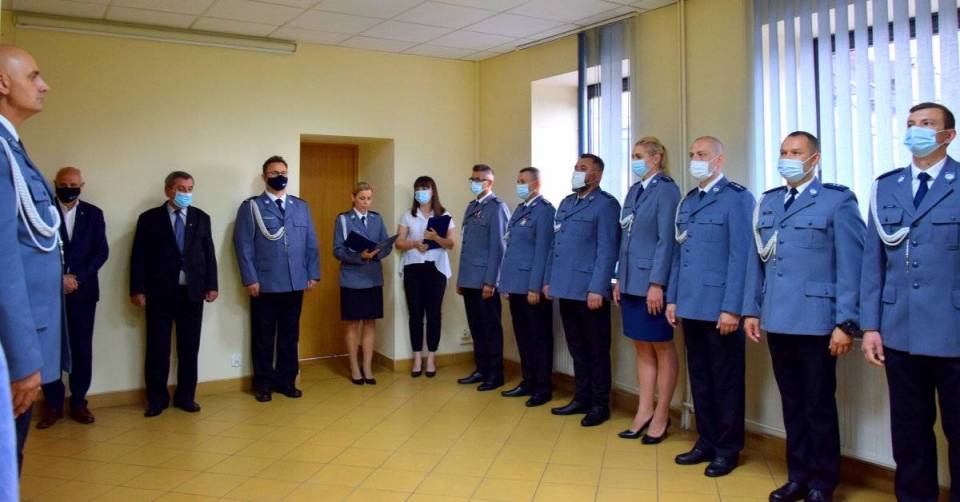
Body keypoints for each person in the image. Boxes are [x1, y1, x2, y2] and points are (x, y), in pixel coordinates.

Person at [743, 131, 865, 502]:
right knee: (792, 403)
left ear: (815, 159)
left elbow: (852, 265)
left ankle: (823, 482)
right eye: (783, 151)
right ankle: (798, 475)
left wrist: (846, 322)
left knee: (818, 405)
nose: (787, 158)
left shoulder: (837, 200)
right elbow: (757, 262)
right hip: (778, 317)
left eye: (796, 152)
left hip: (817, 321)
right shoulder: (769, 201)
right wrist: (751, 309)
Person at [861, 102, 960, 501]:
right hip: (899, 330)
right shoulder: (886, 187)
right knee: (908, 431)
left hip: (953, 331)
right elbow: (872, 262)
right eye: (911, 124)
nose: (916, 130)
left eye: (927, 124)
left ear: (948, 135)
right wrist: (871, 326)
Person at [666, 136, 754, 477]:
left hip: (721, 309)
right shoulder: (689, 201)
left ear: (719, 160)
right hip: (691, 304)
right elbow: (680, 254)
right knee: (700, 378)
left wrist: (733, 308)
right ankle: (706, 440)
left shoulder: (737, 198)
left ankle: (727, 449)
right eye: (692, 154)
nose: (695, 160)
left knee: (726, 381)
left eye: (702, 154)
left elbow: (741, 257)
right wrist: (674, 298)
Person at [0, 44, 67, 472]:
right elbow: (3, 264)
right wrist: (24, 360)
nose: (44, 86)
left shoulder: (12, 148)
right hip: (11, 350)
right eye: (33, 76)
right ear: (3, 83)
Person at [130, 171, 218, 417]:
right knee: (157, 348)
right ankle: (156, 399)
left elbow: (208, 253)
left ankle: (186, 397)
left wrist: (212, 285)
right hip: (159, 293)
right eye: (181, 188)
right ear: (168, 190)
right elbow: (138, 256)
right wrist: (137, 289)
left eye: (189, 189)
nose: (186, 193)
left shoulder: (201, 218)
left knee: (189, 348)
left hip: (192, 292)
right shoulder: (149, 219)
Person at [234, 155, 320, 402]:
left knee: (289, 336)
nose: (279, 177)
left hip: (295, 282)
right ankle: (263, 384)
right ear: (264, 176)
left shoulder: (300, 206)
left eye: (283, 172)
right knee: (263, 337)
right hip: (265, 283)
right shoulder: (252, 207)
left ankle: (287, 381)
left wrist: (313, 273)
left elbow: (311, 243)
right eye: (274, 173)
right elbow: (243, 246)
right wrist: (250, 278)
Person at [544, 153, 621, 427]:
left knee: (596, 351)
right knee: (577, 348)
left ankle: (600, 404)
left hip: (590, 291)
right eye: (576, 167)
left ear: (596, 176)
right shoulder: (567, 203)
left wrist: (598, 288)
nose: (577, 171)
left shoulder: (606, 205)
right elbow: (555, 246)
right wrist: (549, 279)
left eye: (583, 168)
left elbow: (607, 250)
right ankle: (582, 397)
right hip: (565, 288)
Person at [613, 137, 680, 444]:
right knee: (641, 347)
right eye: (632, 155)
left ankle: (662, 414)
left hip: (651, 284)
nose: (634, 161)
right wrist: (619, 279)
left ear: (656, 158)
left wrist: (657, 283)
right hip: (630, 281)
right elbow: (625, 239)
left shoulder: (666, 190)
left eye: (639, 156)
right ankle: (644, 410)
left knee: (662, 347)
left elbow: (667, 240)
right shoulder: (634, 190)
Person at [36, 167, 108, 429]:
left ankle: (78, 401)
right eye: (64, 184)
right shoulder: (43, 212)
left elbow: (101, 252)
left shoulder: (94, 214)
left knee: (81, 348)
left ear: (82, 185)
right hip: (49, 293)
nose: (69, 189)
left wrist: (76, 278)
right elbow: (36, 252)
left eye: (74, 184)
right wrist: (59, 279)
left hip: (83, 292)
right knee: (51, 348)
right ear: (55, 184)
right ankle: (52, 405)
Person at [498, 167, 555, 407]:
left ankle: (543, 387)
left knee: (539, 338)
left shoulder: (545, 211)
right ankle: (528, 381)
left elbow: (543, 251)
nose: (519, 185)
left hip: (532, 287)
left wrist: (535, 287)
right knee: (522, 337)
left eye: (523, 181)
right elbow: (511, 249)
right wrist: (507, 284)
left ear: (536, 184)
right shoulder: (520, 210)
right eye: (518, 180)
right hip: (516, 285)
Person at [333, 182, 393, 385]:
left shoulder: (377, 218)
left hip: (373, 278)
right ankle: (354, 367)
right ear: (353, 197)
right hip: (352, 279)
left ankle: (367, 367)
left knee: (370, 323)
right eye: (361, 198)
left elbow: (386, 245)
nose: (365, 202)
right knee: (353, 324)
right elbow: (337, 250)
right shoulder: (343, 219)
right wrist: (360, 256)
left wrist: (377, 253)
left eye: (369, 198)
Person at [396, 176, 456, 377]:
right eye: (418, 189)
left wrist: (435, 237)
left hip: (436, 268)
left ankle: (431, 358)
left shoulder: (444, 214)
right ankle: (416, 358)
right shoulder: (408, 215)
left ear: (433, 191)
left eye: (424, 188)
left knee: (434, 313)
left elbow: (451, 243)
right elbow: (399, 242)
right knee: (415, 313)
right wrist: (414, 243)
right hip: (413, 267)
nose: (421, 192)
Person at [456, 164, 510, 391]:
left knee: (490, 328)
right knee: (476, 327)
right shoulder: (472, 207)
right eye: (473, 178)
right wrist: (461, 279)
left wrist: (491, 281)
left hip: (485, 280)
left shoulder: (497, 207)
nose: (475, 182)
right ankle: (481, 369)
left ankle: (495, 374)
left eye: (479, 179)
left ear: (490, 183)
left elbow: (499, 247)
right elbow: (467, 247)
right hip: (469, 278)